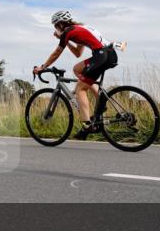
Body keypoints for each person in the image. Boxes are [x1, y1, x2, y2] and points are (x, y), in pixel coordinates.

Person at [32, 10, 118, 140]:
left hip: (101, 55)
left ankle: (87, 125)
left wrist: (42, 67)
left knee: (80, 89)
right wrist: (66, 41)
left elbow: (56, 53)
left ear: (60, 24)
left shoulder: (68, 32)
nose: (56, 29)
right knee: (77, 69)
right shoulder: (80, 28)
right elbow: (78, 53)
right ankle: (101, 101)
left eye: (55, 26)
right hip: (109, 54)